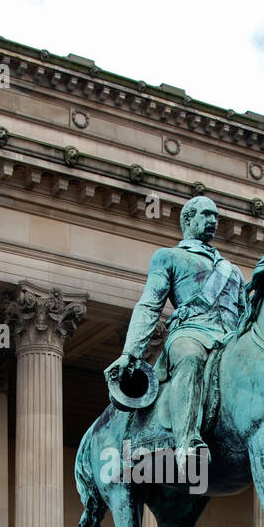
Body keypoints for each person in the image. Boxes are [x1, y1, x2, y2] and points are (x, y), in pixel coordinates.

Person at [107, 196, 248, 472]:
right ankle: (187, 443)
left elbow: (245, 315)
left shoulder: (233, 271)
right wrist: (130, 352)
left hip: (230, 340)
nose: (212, 221)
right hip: (193, 332)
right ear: (187, 219)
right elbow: (149, 305)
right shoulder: (169, 257)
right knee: (190, 356)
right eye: (205, 215)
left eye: (215, 216)